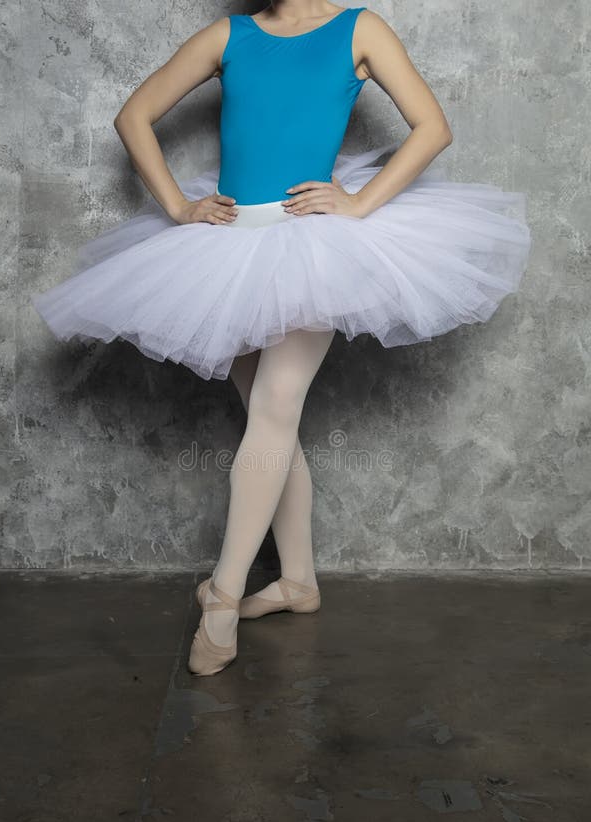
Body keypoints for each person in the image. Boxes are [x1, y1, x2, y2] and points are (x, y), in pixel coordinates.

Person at [31, 2, 532, 676]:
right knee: (273, 420)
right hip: (228, 248)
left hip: (308, 246)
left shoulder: (359, 28)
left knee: (273, 408)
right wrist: (179, 207)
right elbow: (134, 115)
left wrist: (359, 202)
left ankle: (224, 596)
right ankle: (297, 580)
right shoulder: (229, 36)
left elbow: (432, 127)